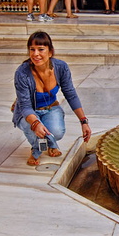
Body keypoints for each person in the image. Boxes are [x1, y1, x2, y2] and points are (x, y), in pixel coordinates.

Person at [12, 31, 91, 166]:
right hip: (27, 111)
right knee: (33, 129)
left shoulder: (61, 67)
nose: (36, 54)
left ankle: (51, 142)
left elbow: (70, 94)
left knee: (57, 132)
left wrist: (83, 121)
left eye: (41, 49)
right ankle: (37, 149)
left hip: (50, 107)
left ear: (50, 52)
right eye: (32, 49)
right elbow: (25, 106)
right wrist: (36, 123)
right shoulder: (22, 73)